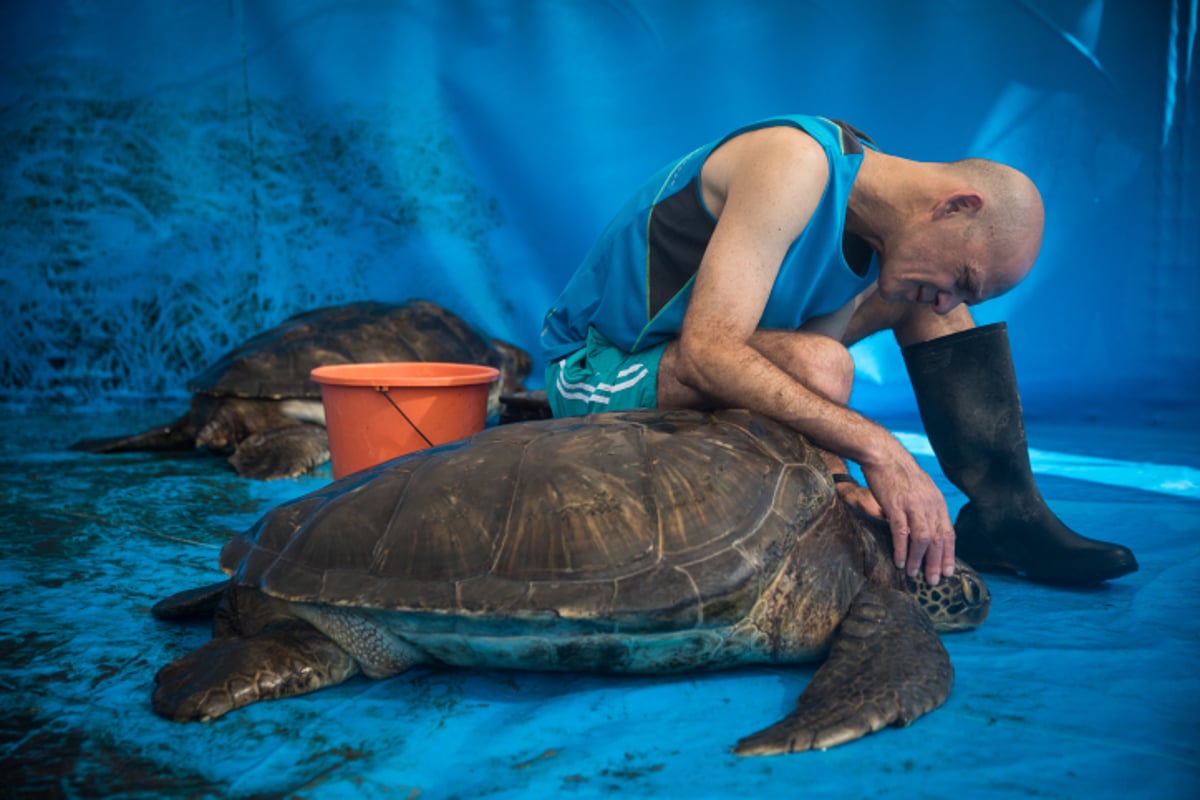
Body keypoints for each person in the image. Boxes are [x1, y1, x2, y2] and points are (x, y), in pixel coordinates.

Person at [540, 114, 1137, 586]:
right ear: (957, 205)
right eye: (962, 274)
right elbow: (709, 353)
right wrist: (880, 451)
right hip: (603, 365)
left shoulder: (877, 225)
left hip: (704, 354)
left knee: (876, 328)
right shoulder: (794, 163)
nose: (947, 299)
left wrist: (840, 480)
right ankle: (944, 501)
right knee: (822, 363)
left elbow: (808, 382)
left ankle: (1008, 515)